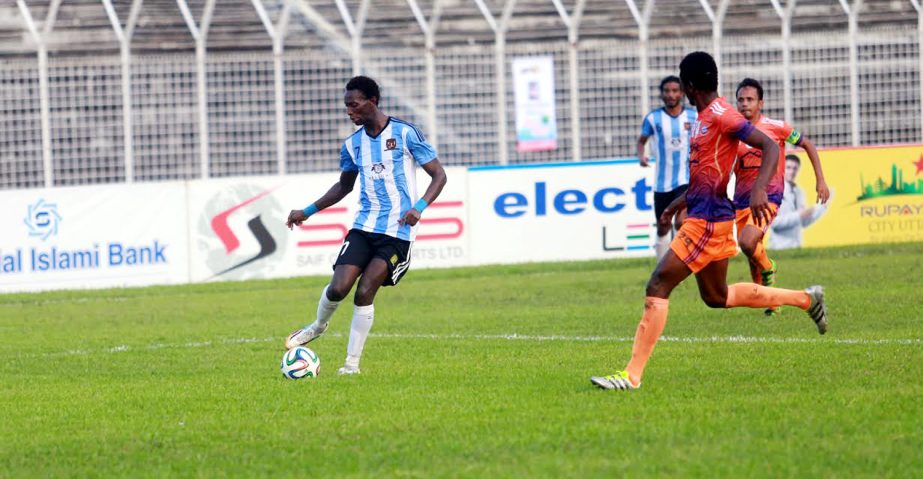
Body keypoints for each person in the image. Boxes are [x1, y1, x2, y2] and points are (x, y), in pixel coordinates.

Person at [590, 52, 828, 391]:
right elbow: (705, 175)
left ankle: (631, 375)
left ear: (688, 85)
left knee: (658, 285)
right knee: (716, 296)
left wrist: (760, 188)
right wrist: (674, 205)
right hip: (706, 215)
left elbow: (770, 148)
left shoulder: (721, 115)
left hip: (707, 222)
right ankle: (806, 299)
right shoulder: (703, 118)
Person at [284, 76, 447, 375]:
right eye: (346, 106)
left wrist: (419, 207)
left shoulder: (406, 133)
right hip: (363, 226)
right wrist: (307, 211)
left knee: (364, 291)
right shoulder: (352, 144)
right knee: (338, 287)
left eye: (354, 105)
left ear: (373, 101)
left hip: (397, 232)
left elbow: (439, 176)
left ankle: (351, 366)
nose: (349, 112)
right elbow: (343, 186)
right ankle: (318, 326)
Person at [733, 78, 829, 315]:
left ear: (760, 103)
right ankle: (770, 301)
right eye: (741, 100)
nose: (745, 104)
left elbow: (808, 145)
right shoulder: (732, 131)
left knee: (747, 242)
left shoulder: (776, 127)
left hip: (769, 196)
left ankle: (769, 267)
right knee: (750, 251)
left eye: (750, 100)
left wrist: (820, 179)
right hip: (740, 199)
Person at [638, 76, 697, 259]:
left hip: (685, 179)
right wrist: (642, 156)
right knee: (663, 223)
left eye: (675, 91)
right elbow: (642, 141)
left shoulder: (693, 117)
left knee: (681, 221)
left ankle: (682, 263)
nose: (671, 95)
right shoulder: (653, 119)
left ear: (681, 93)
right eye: (667, 91)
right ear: (662, 94)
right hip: (662, 183)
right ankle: (662, 267)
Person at [769, 155, 830, 250]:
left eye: (795, 168)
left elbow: (803, 223)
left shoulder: (799, 192)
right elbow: (774, 223)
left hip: (796, 246)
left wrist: (821, 208)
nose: (792, 172)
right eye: (788, 168)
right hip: (779, 248)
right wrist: (799, 215)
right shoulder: (773, 192)